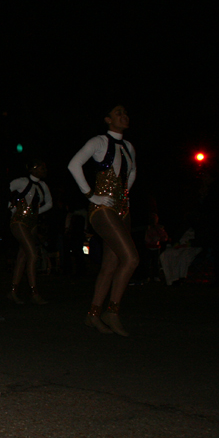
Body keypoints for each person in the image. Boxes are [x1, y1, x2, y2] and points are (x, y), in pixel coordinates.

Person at [68, 105, 138, 336]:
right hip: (102, 209)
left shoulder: (129, 147)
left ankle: (93, 315)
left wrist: (124, 195)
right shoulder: (98, 141)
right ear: (108, 119)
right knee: (131, 259)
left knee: (110, 265)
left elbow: (132, 172)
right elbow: (73, 165)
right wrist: (91, 195)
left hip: (122, 209)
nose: (124, 116)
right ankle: (112, 311)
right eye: (118, 113)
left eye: (125, 113)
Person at [7, 159, 52, 304]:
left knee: (23, 256)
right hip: (19, 221)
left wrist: (37, 212)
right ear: (33, 169)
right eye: (41, 168)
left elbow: (49, 203)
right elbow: (4, 191)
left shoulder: (42, 185)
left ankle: (13, 291)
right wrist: (11, 208)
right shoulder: (22, 182)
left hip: (32, 223)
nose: (44, 170)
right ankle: (34, 292)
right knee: (32, 254)